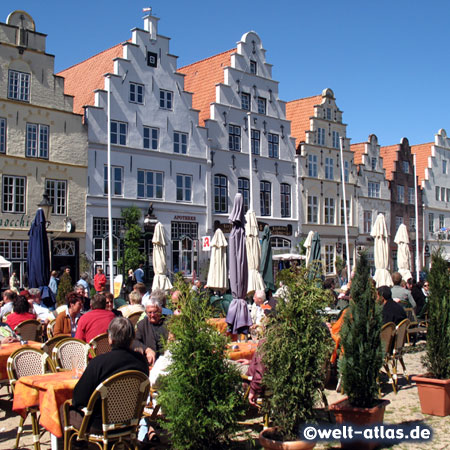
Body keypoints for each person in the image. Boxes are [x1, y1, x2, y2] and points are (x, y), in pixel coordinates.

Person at [69, 317, 149, 431]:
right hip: (130, 422)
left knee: (63, 410)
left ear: (110, 338)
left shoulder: (99, 363)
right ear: (132, 339)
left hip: (99, 424)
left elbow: (78, 398)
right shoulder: (141, 362)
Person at [134, 298, 169, 366]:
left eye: (155, 312)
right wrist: (147, 350)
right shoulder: (142, 325)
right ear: (146, 313)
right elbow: (134, 342)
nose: (152, 315)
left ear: (160, 311)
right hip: (150, 363)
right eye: (150, 312)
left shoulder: (168, 322)